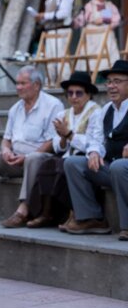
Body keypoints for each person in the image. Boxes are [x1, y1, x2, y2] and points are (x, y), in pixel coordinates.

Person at [0, 66, 63, 227]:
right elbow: (6, 139)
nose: (18, 87)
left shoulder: (53, 105)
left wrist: (26, 156)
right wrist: (6, 151)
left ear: (36, 85)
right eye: (17, 83)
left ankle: (23, 210)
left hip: (41, 160)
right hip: (16, 159)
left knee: (33, 158)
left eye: (23, 83)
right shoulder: (15, 108)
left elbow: (52, 141)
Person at [26, 71, 101, 229]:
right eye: (70, 93)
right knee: (47, 166)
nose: (74, 97)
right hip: (67, 155)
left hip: (86, 157)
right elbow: (57, 146)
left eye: (78, 93)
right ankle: (45, 213)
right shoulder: (64, 114)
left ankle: (72, 213)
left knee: (64, 166)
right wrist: (62, 138)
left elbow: (93, 142)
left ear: (88, 95)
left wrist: (69, 134)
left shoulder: (96, 112)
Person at [64, 59, 128, 241]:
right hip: (113, 167)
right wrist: (94, 152)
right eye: (109, 82)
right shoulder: (106, 109)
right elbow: (96, 139)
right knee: (73, 163)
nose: (111, 86)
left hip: (123, 168)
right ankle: (91, 218)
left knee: (120, 167)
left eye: (117, 81)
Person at [35, 0, 75, 84]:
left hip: (61, 30)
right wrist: (41, 19)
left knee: (62, 59)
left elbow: (64, 13)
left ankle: (65, 83)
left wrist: (44, 15)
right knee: (51, 60)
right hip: (51, 31)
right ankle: (51, 83)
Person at [75, 0, 122, 73]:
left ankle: (108, 71)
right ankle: (92, 73)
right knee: (91, 55)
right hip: (92, 35)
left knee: (109, 50)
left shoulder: (109, 5)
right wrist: (93, 21)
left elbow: (116, 19)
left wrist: (110, 26)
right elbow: (81, 19)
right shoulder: (89, 6)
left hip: (106, 33)